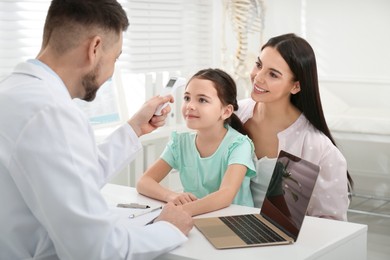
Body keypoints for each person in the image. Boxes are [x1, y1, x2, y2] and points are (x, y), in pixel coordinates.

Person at [0, 1, 193, 259]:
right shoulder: (52, 113)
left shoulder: (13, 92)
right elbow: (98, 248)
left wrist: (133, 129)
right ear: (94, 48)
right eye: (115, 58)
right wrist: (169, 228)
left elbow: (74, 176)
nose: (112, 74)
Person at [236, 33, 353, 221]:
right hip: (225, 222)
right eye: (259, 65)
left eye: (273, 74)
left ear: (296, 86)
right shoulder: (232, 114)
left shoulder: (317, 147)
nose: (258, 77)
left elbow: (332, 223)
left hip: (281, 241)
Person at [136, 68, 256, 216]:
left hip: (236, 222)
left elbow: (225, 195)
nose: (190, 106)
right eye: (187, 98)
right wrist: (171, 196)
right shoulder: (179, 143)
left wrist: (181, 211)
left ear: (225, 111)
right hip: (197, 218)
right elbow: (144, 182)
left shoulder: (239, 145)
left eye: (202, 100)